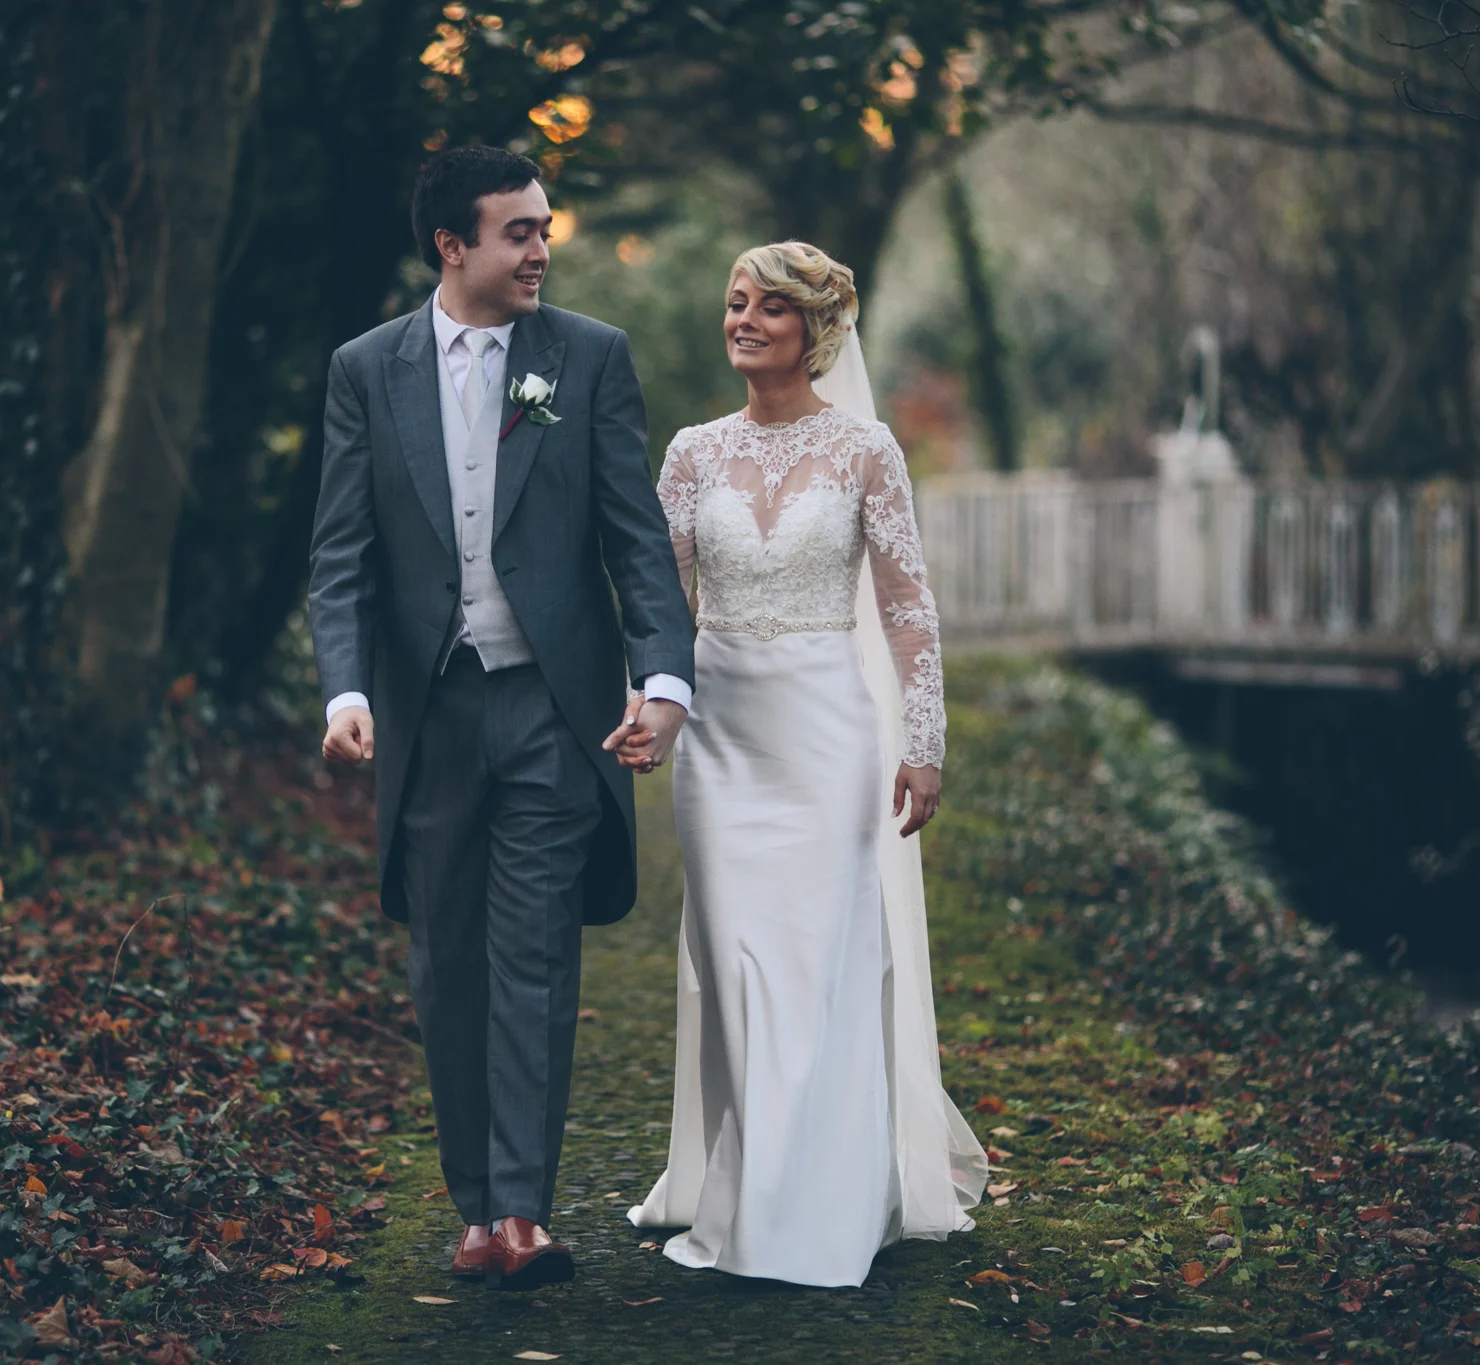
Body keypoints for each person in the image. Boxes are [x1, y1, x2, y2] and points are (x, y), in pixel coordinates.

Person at [307, 146, 696, 1289]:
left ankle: (520, 1211)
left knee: (531, 957)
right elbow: (340, 555)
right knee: (447, 967)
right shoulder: (363, 369)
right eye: (517, 231)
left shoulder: (587, 357)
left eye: (543, 228)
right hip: (426, 718)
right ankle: (471, 1209)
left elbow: (633, 536)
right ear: (451, 247)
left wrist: (662, 679)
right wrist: (346, 689)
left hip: (549, 710)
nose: (539, 250)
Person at [619, 241, 986, 1287]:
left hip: (828, 732)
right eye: (733, 303)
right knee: (737, 963)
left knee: (820, 961)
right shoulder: (690, 452)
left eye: (767, 309)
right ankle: (747, 1184)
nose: (741, 321)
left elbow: (906, 610)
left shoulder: (867, 450)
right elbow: (658, 608)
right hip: (722, 738)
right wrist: (646, 706)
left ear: (813, 331)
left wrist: (924, 742)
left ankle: (818, 1200)